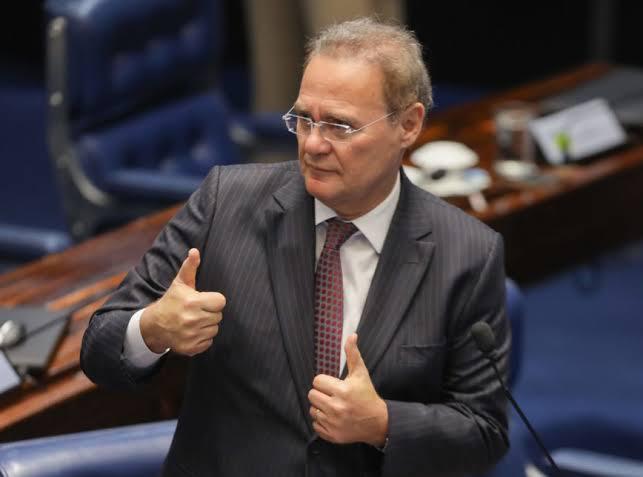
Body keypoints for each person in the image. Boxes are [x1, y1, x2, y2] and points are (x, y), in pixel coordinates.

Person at [81, 17, 510, 477]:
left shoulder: (466, 253)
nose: (313, 144)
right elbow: (99, 347)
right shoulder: (225, 202)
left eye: (340, 126)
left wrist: (383, 423)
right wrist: (152, 329)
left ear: (408, 125)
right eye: (304, 119)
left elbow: (484, 432)